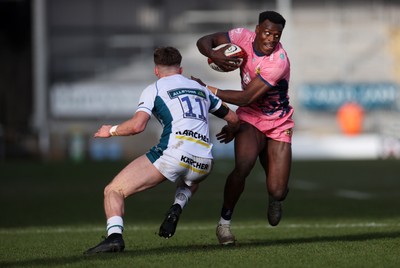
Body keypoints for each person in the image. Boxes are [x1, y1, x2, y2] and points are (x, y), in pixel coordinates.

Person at [84, 46, 240, 254]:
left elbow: (137, 126)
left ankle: (114, 237)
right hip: (205, 161)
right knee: (190, 179)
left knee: (114, 190)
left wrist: (110, 130)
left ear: (156, 71)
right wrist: (231, 131)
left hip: (174, 154)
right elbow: (233, 119)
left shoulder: (154, 89)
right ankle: (177, 206)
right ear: (181, 70)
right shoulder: (200, 88)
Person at [192, 10, 294, 245]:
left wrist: (208, 89)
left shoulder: (278, 61)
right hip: (250, 118)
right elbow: (204, 41)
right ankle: (224, 225)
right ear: (257, 30)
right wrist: (212, 54)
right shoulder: (240, 37)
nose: (271, 39)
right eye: (267, 33)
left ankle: (275, 198)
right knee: (243, 166)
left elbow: (247, 97)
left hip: (278, 122)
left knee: (278, 190)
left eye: (276, 35)